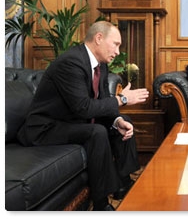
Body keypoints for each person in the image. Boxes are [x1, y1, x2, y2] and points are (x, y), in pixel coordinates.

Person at [17, 21, 150, 211]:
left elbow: (103, 101)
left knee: (123, 122)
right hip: (45, 128)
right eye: (116, 44)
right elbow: (83, 108)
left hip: (72, 122)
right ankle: (101, 204)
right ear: (98, 38)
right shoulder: (71, 62)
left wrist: (117, 120)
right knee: (96, 132)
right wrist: (123, 99)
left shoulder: (101, 66)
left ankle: (123, 183)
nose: (118, 52)